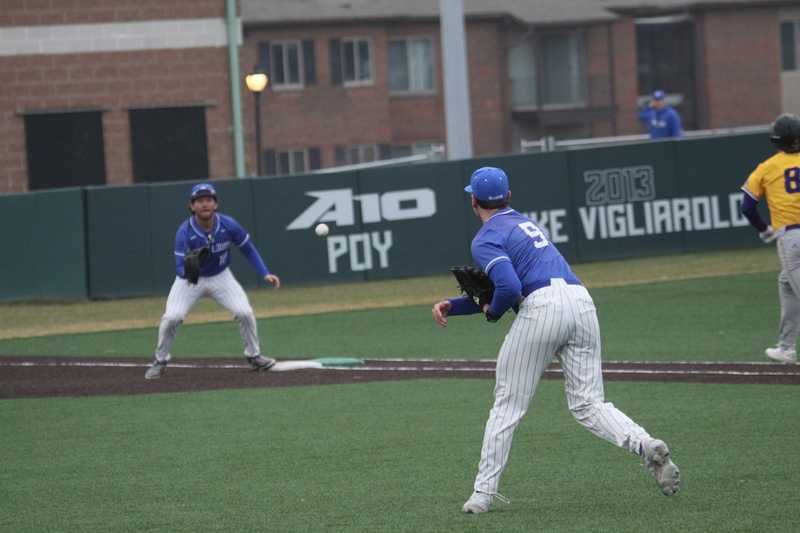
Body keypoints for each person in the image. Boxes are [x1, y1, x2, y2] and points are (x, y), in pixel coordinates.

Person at [431, 167, 680, 514]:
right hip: (580, 302)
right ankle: (645, 444)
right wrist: (456, 306)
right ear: (509, 197)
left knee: (507, 407)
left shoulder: (486, 237)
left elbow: (509, 290)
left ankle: (482, 495)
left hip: (542, 308)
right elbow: (505, 288)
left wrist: (491, 313)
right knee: (589, 403)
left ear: (473, 200)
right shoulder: (525, 223)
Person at [145, 183, 281, 379]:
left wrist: (264, 272)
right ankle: (160, 361)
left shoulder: (228, 224)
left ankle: (254, 357)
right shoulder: (184, 232)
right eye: (199, 201)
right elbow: (179, 267)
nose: (204, 204)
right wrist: (190, 270)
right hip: (190, 281)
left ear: (216, 204)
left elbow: (247, 248)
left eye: (209, 200)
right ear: (192, 207)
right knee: (172, 318)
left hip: (220, 276)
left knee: (244, 312)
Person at [741, 113, 800, 365]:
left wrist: (764, 230)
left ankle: (786, 348)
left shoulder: (767, 167)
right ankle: (786, 348)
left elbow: (747, 206)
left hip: (792, 237)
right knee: (787, 284)